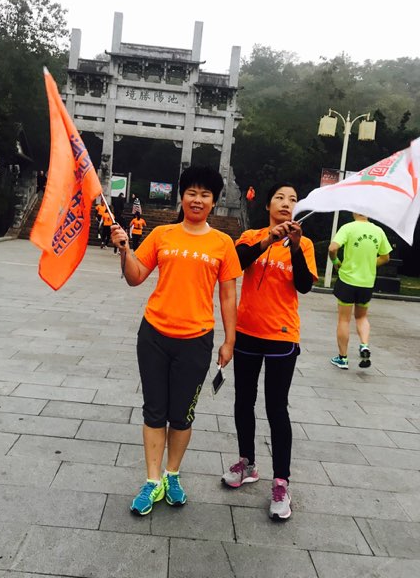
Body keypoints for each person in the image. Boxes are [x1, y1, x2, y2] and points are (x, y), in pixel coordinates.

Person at [111, 166, 242, 517]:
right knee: (154, 411)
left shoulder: (222, 243)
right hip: (154, 335)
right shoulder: (162, 234)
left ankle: (172, 475)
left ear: (213, 201)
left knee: (182, 415)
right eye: (191, 193)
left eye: (205, 194)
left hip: (196, 340)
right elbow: (136, 277)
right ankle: (152, 480)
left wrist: (229, 341)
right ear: (182, 196)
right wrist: (125, 251)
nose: (197, 200)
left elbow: (228, 296)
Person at [221, 183, 317, 522]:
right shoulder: (251, 236)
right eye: (279, 197)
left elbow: (304, 285)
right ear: (267, 205)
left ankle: (281, 482)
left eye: (293, 199)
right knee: (243, 401)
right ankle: (247, 463)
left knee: (276, 408)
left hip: (281, 337)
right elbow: (237, 263)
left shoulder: (305, 244)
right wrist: (268, 241)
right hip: (247, 332)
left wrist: (293, 245)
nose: (286, 203)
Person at [328, 213, 392, 369]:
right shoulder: (378, 231)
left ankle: (343, 358)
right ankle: (364, 345)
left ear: (354, 211)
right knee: (362, 317)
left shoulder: (348, 228)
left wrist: (335, 260)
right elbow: (386, 257)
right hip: (367, 282)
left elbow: (332, 248)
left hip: (347, 280)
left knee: (344, 320)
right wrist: (369, 264)